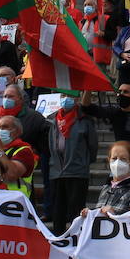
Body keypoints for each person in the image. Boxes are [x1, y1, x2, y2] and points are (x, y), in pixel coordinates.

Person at [50, 96, 98, 232]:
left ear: (77, 98)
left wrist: (83, 161)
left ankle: (76, 237)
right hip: (57, 171)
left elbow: (93, 145)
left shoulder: (85, 119)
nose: (66, 99)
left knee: (76, 211)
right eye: (63, 96)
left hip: (77, 171)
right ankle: (58, 238)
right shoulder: (54, 119)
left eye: (70, 96)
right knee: (58, 210)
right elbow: (50, 143)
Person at [0, 115, 38, 199]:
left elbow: (11, 175)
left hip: (16, 200)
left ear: (18, 131)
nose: (1, 131)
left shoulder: (24, 151)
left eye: (5, 127)